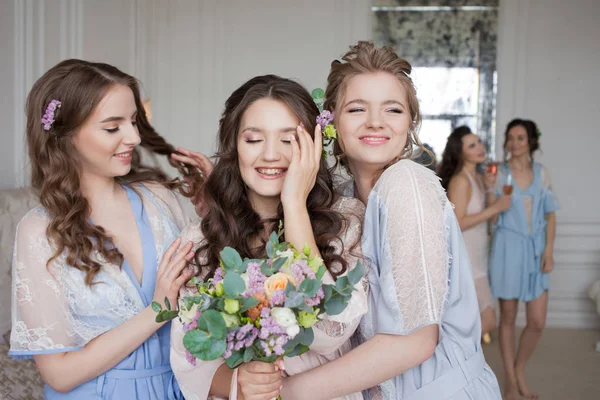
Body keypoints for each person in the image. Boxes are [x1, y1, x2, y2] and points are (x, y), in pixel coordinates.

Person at [279, 41, 501, 400]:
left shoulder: (407, 184)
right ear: (332, 123)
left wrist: (284, 392)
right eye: (356, 109)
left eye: (393, 110)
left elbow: (413, 342)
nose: (375, 122)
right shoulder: (345, 198)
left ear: (410, 122)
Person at [169, 75, 367, 400]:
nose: (271, 155)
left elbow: (332, 328)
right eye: (253, 139)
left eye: (289, 139)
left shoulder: (345, 221)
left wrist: (294, 205)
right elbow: (188, 360)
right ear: (234, 146)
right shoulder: (202, 240)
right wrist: (239, 382)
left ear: (313, 147)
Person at [9, 59, 196, 399]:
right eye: (113, 128)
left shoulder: (159, 200)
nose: (134, 137)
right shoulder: (38, 231)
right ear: (65, 136)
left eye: (134, 121)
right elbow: (60, 375)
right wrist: (157, 311)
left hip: (178, 389)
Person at [489, 119, 559, 400]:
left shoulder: (542, 174)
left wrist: (549, 250)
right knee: (508, 318)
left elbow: (551, 214)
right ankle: (510, 379)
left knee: (537, 321)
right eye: (511, 137)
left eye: (521, 138)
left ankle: (518, 369)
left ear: (530, 141)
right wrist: (488, 191)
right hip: (507, 248)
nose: (515, 143)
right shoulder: (498, 174)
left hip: (535, 250)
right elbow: (491, 216)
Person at [438, 127, 511, 343]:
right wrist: (495, 208)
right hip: (466, 262)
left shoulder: (478, 177)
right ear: (460, 153)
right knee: (487, 321)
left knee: (479, 320)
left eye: (479, 142)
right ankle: (446, 357)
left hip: (478, 260)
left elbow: (489, 219)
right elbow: (457, 222)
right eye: (472, 145)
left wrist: (489, 189)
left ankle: (456, 362)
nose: (480, 147)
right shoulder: (460, 181)